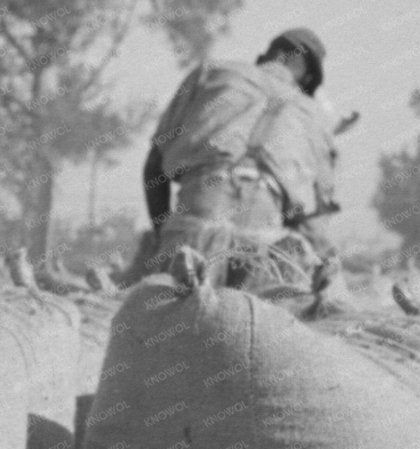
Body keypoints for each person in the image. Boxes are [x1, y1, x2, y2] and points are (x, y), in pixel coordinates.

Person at [136, 28, 341, 285]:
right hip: (262, 244)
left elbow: (154, 167)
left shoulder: (212, 72)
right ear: (308, 79)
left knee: (166, 304)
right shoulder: (315, 115)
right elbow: (313, 222)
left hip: (196, 226)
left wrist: (161, 238)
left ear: (265, 56)